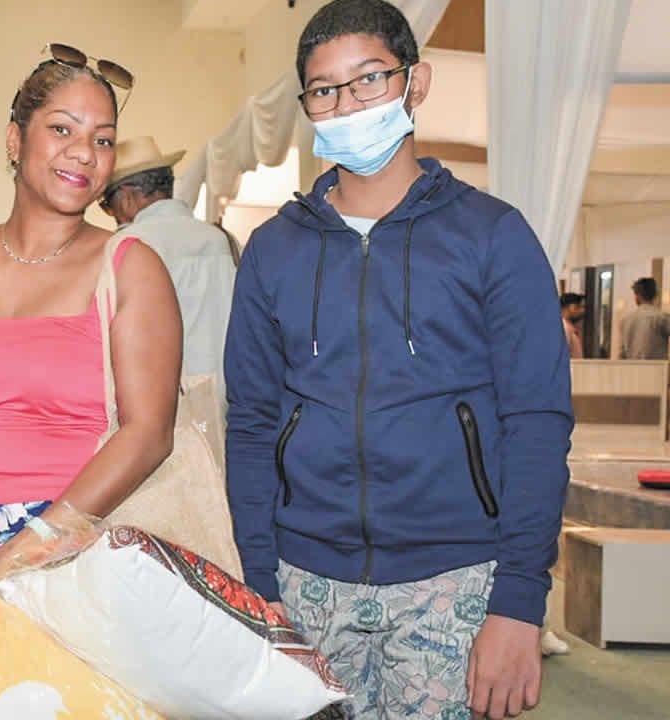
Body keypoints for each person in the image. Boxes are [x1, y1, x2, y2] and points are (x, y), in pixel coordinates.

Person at [225, 2, 573, 718]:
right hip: (302, 581)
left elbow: (537, 424)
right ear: (307, 107)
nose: (347, 104)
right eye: (324, 90)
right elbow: (253, 423)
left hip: (456, 580)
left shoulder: (493, 236)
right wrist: (259, 586)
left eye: (369, 80)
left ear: (416, 84)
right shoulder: (273, 251)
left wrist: (519, 603)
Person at [0, 44, 180, 584]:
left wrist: (35, 545)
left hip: (74, 549)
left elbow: (149, 433)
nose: (86, 153)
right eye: (63, 130)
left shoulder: (132, 267)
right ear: (15, 139)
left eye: (104, 139)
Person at [100, 135, 235, 394]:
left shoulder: (126, 245)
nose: (109, 213)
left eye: (106, 204)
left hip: (161, 404)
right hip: (227, 403)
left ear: (126, 196)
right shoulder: (223, 239)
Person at [620, 277, 670, 360]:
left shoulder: (626, 320)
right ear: (655, 295)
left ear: (637, 296)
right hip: (657, 370)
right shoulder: (662, 318)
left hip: (631, 369)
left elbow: (622, 353)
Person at [560, 292, 585, 359]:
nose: (583, 311)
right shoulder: (563, 329)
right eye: (581, 307)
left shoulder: (570, 329)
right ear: (572, 307)